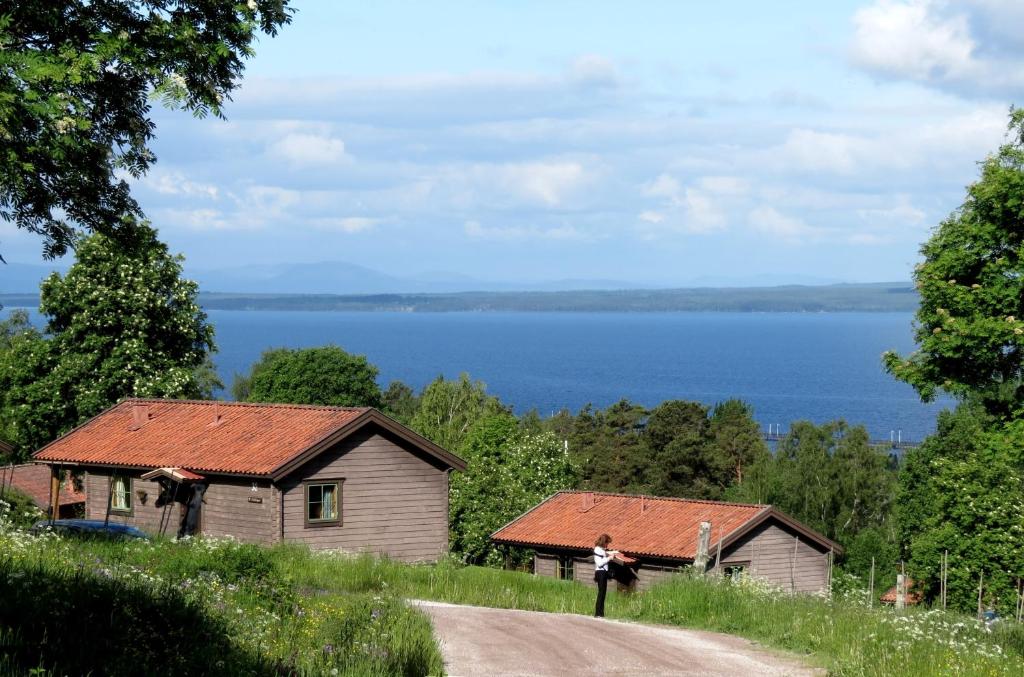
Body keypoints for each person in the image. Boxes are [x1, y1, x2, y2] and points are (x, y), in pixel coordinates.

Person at [593, 533, 618, 617]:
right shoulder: (597, 550)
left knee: (603, 593)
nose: (607, 545)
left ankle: (601, 613)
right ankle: (598, 613)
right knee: (601, 593)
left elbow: (602, 556)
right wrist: (609, 558)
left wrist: (609, 554)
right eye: (607, 543)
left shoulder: (601, 550)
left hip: (602, 573)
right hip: (601, 573)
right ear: (604, 542)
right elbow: (599, 563)